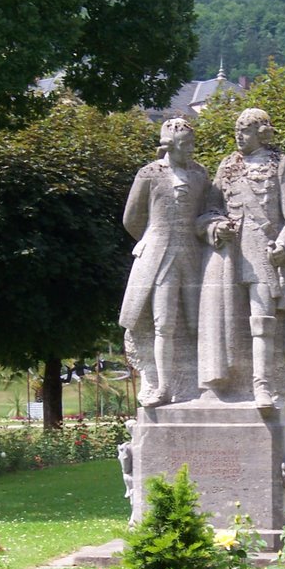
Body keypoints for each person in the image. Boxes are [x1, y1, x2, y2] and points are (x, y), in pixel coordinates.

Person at [198, 108, 285, 409]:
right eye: (237, 129)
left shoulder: (280, 164)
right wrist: (215, 225)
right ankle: (220, 384)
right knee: (225, 322)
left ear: (262, 133)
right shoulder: (227, 166)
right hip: (226, 255)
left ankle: (262, 386)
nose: (239, 135)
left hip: (261, 250)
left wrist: (284, 246)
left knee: (262, 319)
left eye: (245, 130)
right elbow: (209, 210)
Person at [119, 118, 210, 407]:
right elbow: (131, 218)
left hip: (194, 255)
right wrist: (152, 236)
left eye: (193, 145)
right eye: (186, 146)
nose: (191, 150)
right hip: (161, 256)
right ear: (169, 146)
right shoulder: (149, 173)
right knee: (164, 323)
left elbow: (207, 210)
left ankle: (201, 384)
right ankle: (161, 385)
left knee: (200, 321)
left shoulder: (199, 174)